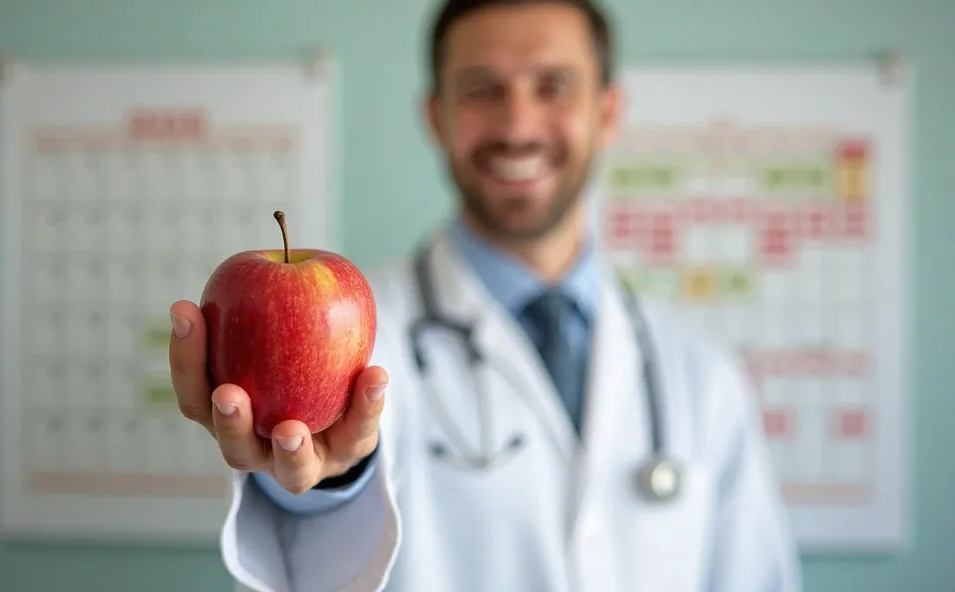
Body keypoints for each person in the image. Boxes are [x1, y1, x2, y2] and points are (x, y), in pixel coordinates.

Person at [168, 0, 802, 590]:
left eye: (553, 86)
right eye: (482, 90)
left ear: (607, 113)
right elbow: (313, 546)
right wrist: (324, 475)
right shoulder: (359, 337)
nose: (518, 125)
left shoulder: (702, 375)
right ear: (435, 116)